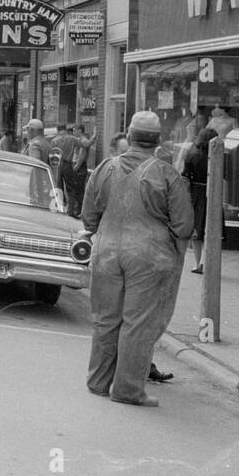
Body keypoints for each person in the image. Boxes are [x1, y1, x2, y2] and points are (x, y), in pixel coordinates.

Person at [81, 111, 194, 407]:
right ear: (158, 140)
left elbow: (88, 218)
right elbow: (184, 225)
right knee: (138, 324)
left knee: (105, 319)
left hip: (106, 252)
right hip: (148, 257)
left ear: (128, 136)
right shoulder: (166, 173)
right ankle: (128, 390)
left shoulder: (105, 168)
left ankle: (98, 381)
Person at [182, 127, 219, 275]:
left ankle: (199, 264)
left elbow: (185, 177)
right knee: (212, 230)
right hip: (213, 192)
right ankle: (209, 262)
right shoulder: (217, 155)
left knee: (197, 230)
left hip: (196, 193)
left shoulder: (192, 154)